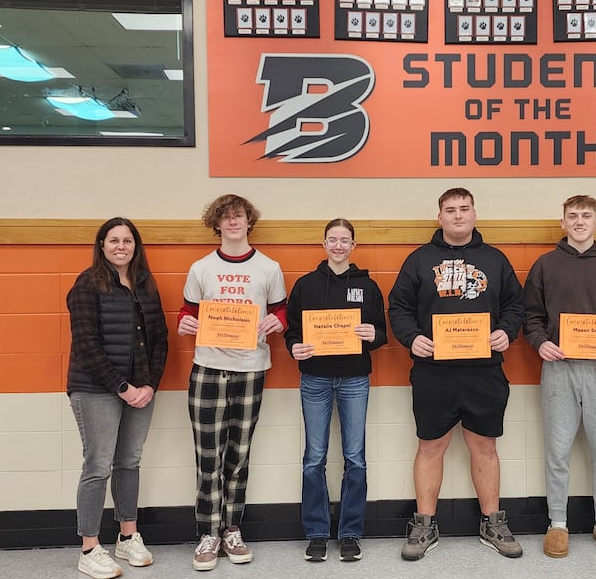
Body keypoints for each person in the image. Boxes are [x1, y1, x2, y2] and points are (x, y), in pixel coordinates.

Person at [388, 187, 524, 561]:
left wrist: (506, 331)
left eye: (464, 209)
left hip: (484, 371)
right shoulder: (419, 260)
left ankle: (492, 522)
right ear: (440, 218)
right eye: (450, 210)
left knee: (485, 446)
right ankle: (424, 524)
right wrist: (411, 338)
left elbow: (516, 305)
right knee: (431, 446)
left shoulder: (495, 260)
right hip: (433, 372)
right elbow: (398, 307)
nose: (458, 216)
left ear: (475, 214)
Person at [522, 195, 596, 559]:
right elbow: (532, 315)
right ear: (563, 223)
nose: (579, 221)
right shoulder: (545, 265)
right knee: (557, 450)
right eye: (572, 216)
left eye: (586, 215)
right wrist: (540, 343)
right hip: (559, 367)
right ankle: (558, 523)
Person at [177, 194, 287, 571]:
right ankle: (208, 533)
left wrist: (280, 322)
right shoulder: (201, 267)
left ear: (249, 221)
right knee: (208, 457)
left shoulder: (269, 267)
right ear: (217, 225)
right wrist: (184, 323)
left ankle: (232, 529)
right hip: (208, 367)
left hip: (252, 368)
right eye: (226, 217)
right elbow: (188, 310)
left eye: (239, 216)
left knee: (238, 456)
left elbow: (280, 309)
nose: (234, 222)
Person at [67, 218, 168, 579]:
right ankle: (90, 548)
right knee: (98, 465)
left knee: (129, 461)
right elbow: (87, 345)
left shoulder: (145, 284)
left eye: (128, 240)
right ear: (101, 245)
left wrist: (150, 385)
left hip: (141, 391)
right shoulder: (87, 284)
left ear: (136, 246)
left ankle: (128, 537)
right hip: (96, 390)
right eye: (113, 240)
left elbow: (160, 340)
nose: (121, 246)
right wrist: (122, 388)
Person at [284, 219, 387, 563]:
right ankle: (316, 532)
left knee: (354, 458)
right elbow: (292, 332)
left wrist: (372, 336)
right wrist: (295, 347)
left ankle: (350, 532)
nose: (339, 245)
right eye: (333, 240)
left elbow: (382, 334)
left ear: (354, 245)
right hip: (314, 379)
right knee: (314, 458)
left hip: (355, 379)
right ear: (323, 244)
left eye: (345, 240)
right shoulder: (305, 285)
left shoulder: (368, 287)